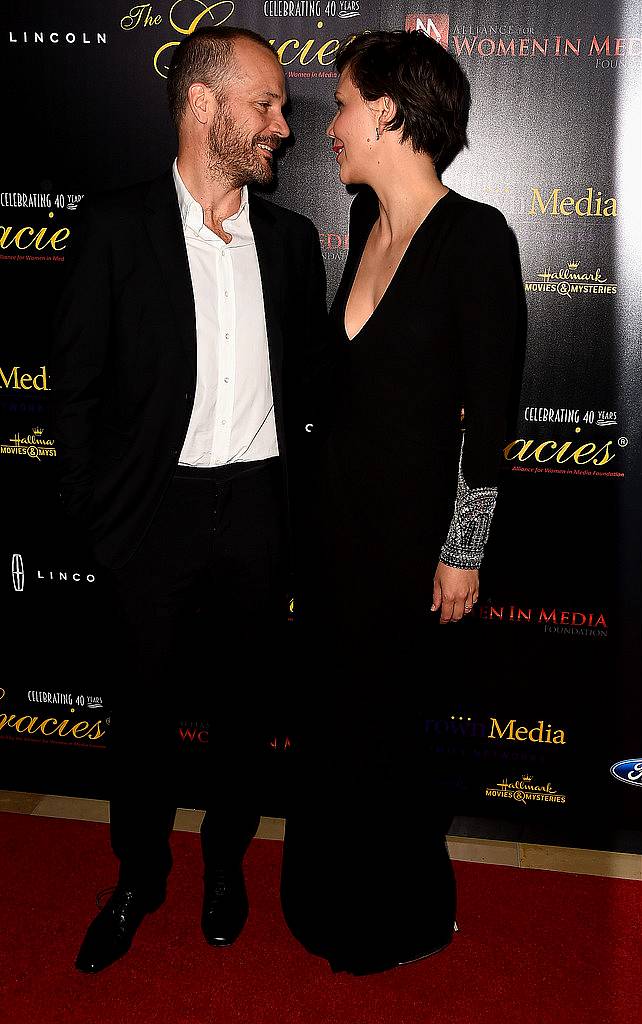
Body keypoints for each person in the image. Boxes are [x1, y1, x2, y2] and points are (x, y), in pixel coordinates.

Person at [52, 26, 328, 973]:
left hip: (257, 514)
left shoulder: (291, 246)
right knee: (140, 720)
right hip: (149, 519)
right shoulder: (116, 226)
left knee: (246, 718)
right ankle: (137, 877)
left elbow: (315, 395)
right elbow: (74, 389)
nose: (283, 127)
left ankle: (224, 866)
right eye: (266, 104)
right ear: (203, 107)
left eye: (282, 108)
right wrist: (104, 521)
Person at [280, 30, 520, 975]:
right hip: (334, 542)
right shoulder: (370, 234)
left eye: (340, 103)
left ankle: (398, 916)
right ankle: (324, 902)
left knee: (386, 736)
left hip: (413, 548)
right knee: (333, 726)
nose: (327, 124)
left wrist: (464, 548)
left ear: (387, 110)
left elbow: (491, 414)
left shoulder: (477, 238)